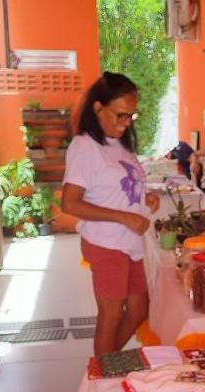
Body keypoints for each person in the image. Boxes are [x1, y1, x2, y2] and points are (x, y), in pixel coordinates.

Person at [61, 72, 159, 354]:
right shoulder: (85, 146)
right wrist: (124, 217)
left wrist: (144, 198)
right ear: (97, 107)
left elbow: (117, 188)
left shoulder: (119, 145)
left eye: (131, 116)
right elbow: (70, 204)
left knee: (139, 310)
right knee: (112, 314)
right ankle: (104, 370)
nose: (126, 123)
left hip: (129, 243)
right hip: (106, 243)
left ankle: (105, 363)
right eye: (120, 115)